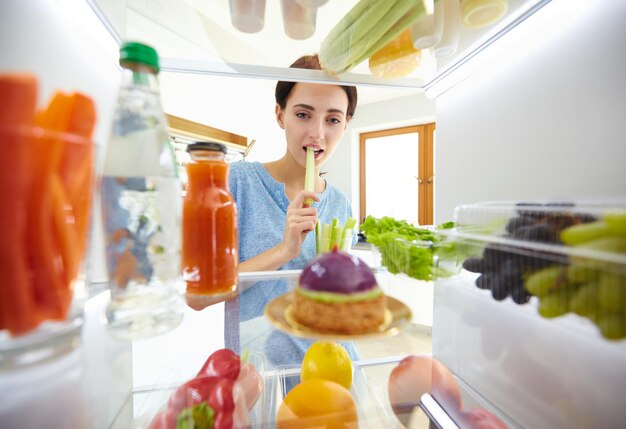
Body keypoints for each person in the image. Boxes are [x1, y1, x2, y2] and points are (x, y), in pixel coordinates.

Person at [224, 54, 360, 371]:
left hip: (334, 367)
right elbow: (202, 296)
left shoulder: (341, 203)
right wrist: (285, 249)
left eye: (333, 119)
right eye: (303, 114)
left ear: (346, 125)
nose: (317, 134)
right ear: (280, 115)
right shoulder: (238, 182)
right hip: (258, 374)